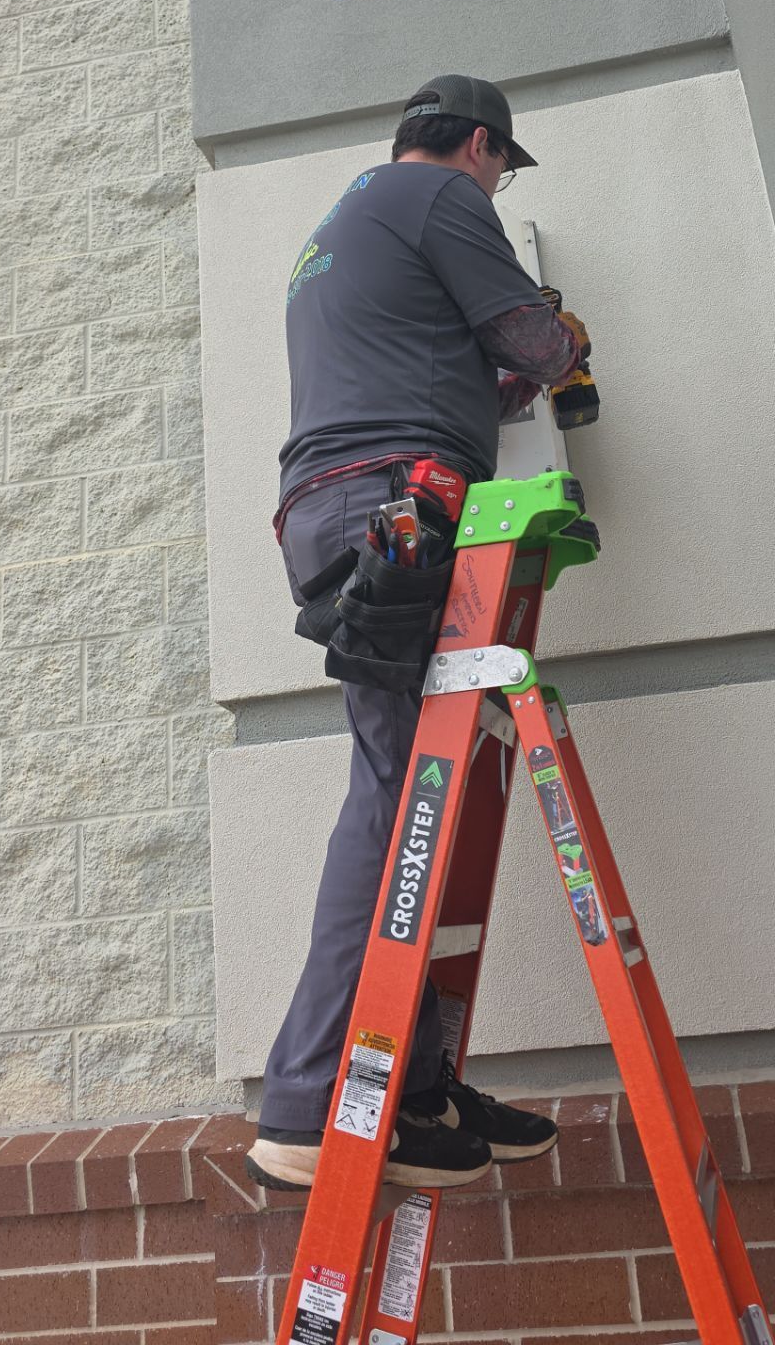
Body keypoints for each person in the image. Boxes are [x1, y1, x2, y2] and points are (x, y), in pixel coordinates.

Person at [246, 75, 589, 1193]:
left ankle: (418, 1082)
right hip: (397, 498)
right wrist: (566, 338)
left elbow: (448, 368)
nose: (496, 182)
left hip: (341, 503)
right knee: (399, 799)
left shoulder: (343, 226)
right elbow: (529, 343)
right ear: (480, 145)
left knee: (418, 791)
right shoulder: (440, 199)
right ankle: (308, 1100)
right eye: (501, 166)